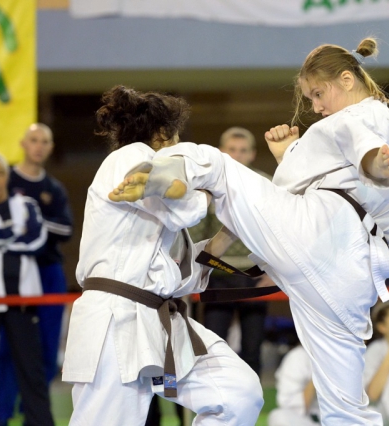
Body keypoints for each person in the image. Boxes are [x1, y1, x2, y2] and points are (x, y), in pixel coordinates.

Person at [110, 37, 389, 425]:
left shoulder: (363, 114)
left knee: (220, 166)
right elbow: (328, 181)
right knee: (344, 407)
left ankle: (164, 171)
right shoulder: (365, 122)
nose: (316, 107)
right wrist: (290, 157)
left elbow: (365, 148)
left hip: (326, 235)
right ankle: (187, 235)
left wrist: (376, 164)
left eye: (318, 94)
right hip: (349, 275)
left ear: (346, 79)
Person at [61, 86, 263, 425]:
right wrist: (211, 190)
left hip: (158, 319)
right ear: (162, 133)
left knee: (238, 393)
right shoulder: (129, 157)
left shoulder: (159, 210)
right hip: (116, 319)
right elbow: (184, 210)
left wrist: (231, 229)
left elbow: (182, 271)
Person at [0, 123, 74, 425]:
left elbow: (66, 230)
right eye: (34, 140)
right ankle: (1, 414)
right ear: (23, 143)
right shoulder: (5, 180)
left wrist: (32, 218)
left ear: (51, 147)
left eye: (45, 141)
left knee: (47, 348)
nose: (39, 146)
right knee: (8, 347)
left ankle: (35, 415)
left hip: (49, 273)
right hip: (11, 274)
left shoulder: (54, 189)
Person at [0, 152, 53, 426]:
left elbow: (37, 240)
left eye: (0, 173)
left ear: (8, 176)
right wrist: (15, 232)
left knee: (31, 368)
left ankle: (39, 422)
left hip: (23, 299)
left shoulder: (26, 204)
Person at [189, 126, 272, 376]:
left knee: (253, 348)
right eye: (232, 149)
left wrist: (275, 272)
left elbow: (278, 234)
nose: (237, 155)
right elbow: (195, 233)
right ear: (221, 152)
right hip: (217, 276)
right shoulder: (208, 187)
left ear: (253, 154)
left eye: (243, 150)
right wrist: (195, 272)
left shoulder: (266, 185)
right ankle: (216, 398)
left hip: (256, 275)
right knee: (213, 347)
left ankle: (253, 399)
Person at [268, 343, 320, 426]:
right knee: (279, 416)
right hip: (310, 420)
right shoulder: (298, 357)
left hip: (339, 419)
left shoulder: (341, 354)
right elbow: (290, 406)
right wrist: (319, 376)